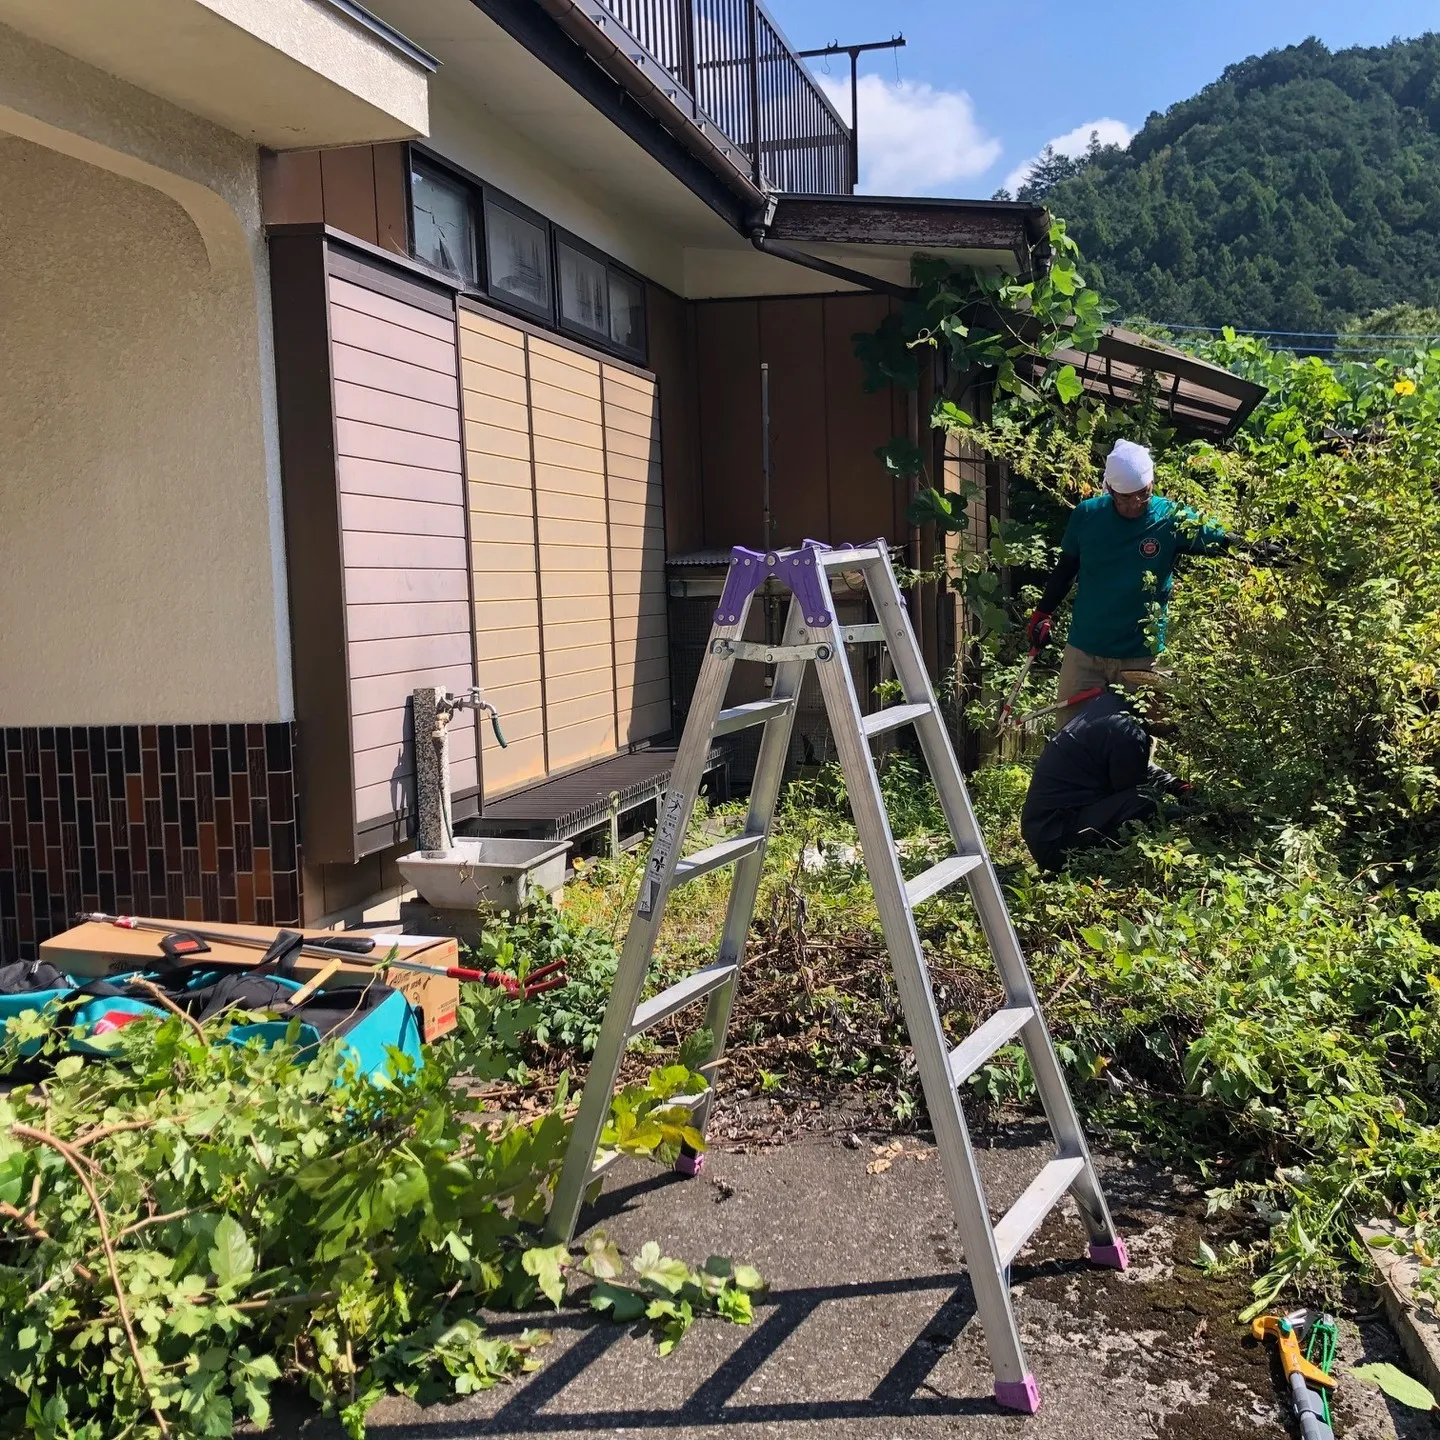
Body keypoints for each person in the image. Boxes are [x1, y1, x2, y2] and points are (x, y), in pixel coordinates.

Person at [1024, 438, 1228, 702]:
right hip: (1086, 652)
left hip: (1142, 657)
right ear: (1109, 489)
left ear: (1152, 483)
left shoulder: (1170, 518)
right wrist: (1043, 611)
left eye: (1143, 493)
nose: (1135, 503)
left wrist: (1286, 553)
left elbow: (1226, 543)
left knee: (1137, 737)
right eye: (1125, 497)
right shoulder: (1088, 515)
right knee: (1071, 734)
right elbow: (1067, 568)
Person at [1020, 678, 1192, 872]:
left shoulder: (1112, 706)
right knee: (1146, 800)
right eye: (1178, 708)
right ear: (1155, 699)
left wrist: (1181, 787)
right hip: (1057, 843)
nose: (1179, 721)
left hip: (1046, 832)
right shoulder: (1128, 729)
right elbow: (1137, 795)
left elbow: (1140, 767)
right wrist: (1189, 815)